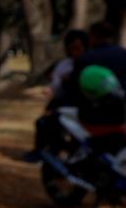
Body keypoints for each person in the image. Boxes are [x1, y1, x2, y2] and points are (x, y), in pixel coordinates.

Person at [21, 29, 89, 162]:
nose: (75, 51)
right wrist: (50, 89)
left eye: (78, 47)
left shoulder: (90, 62)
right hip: (62, 103)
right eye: (72, 48)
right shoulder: (64, 64)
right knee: (44, 123)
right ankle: (44, 151)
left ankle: (66, 152)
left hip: (82, 105)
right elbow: (55, 85)